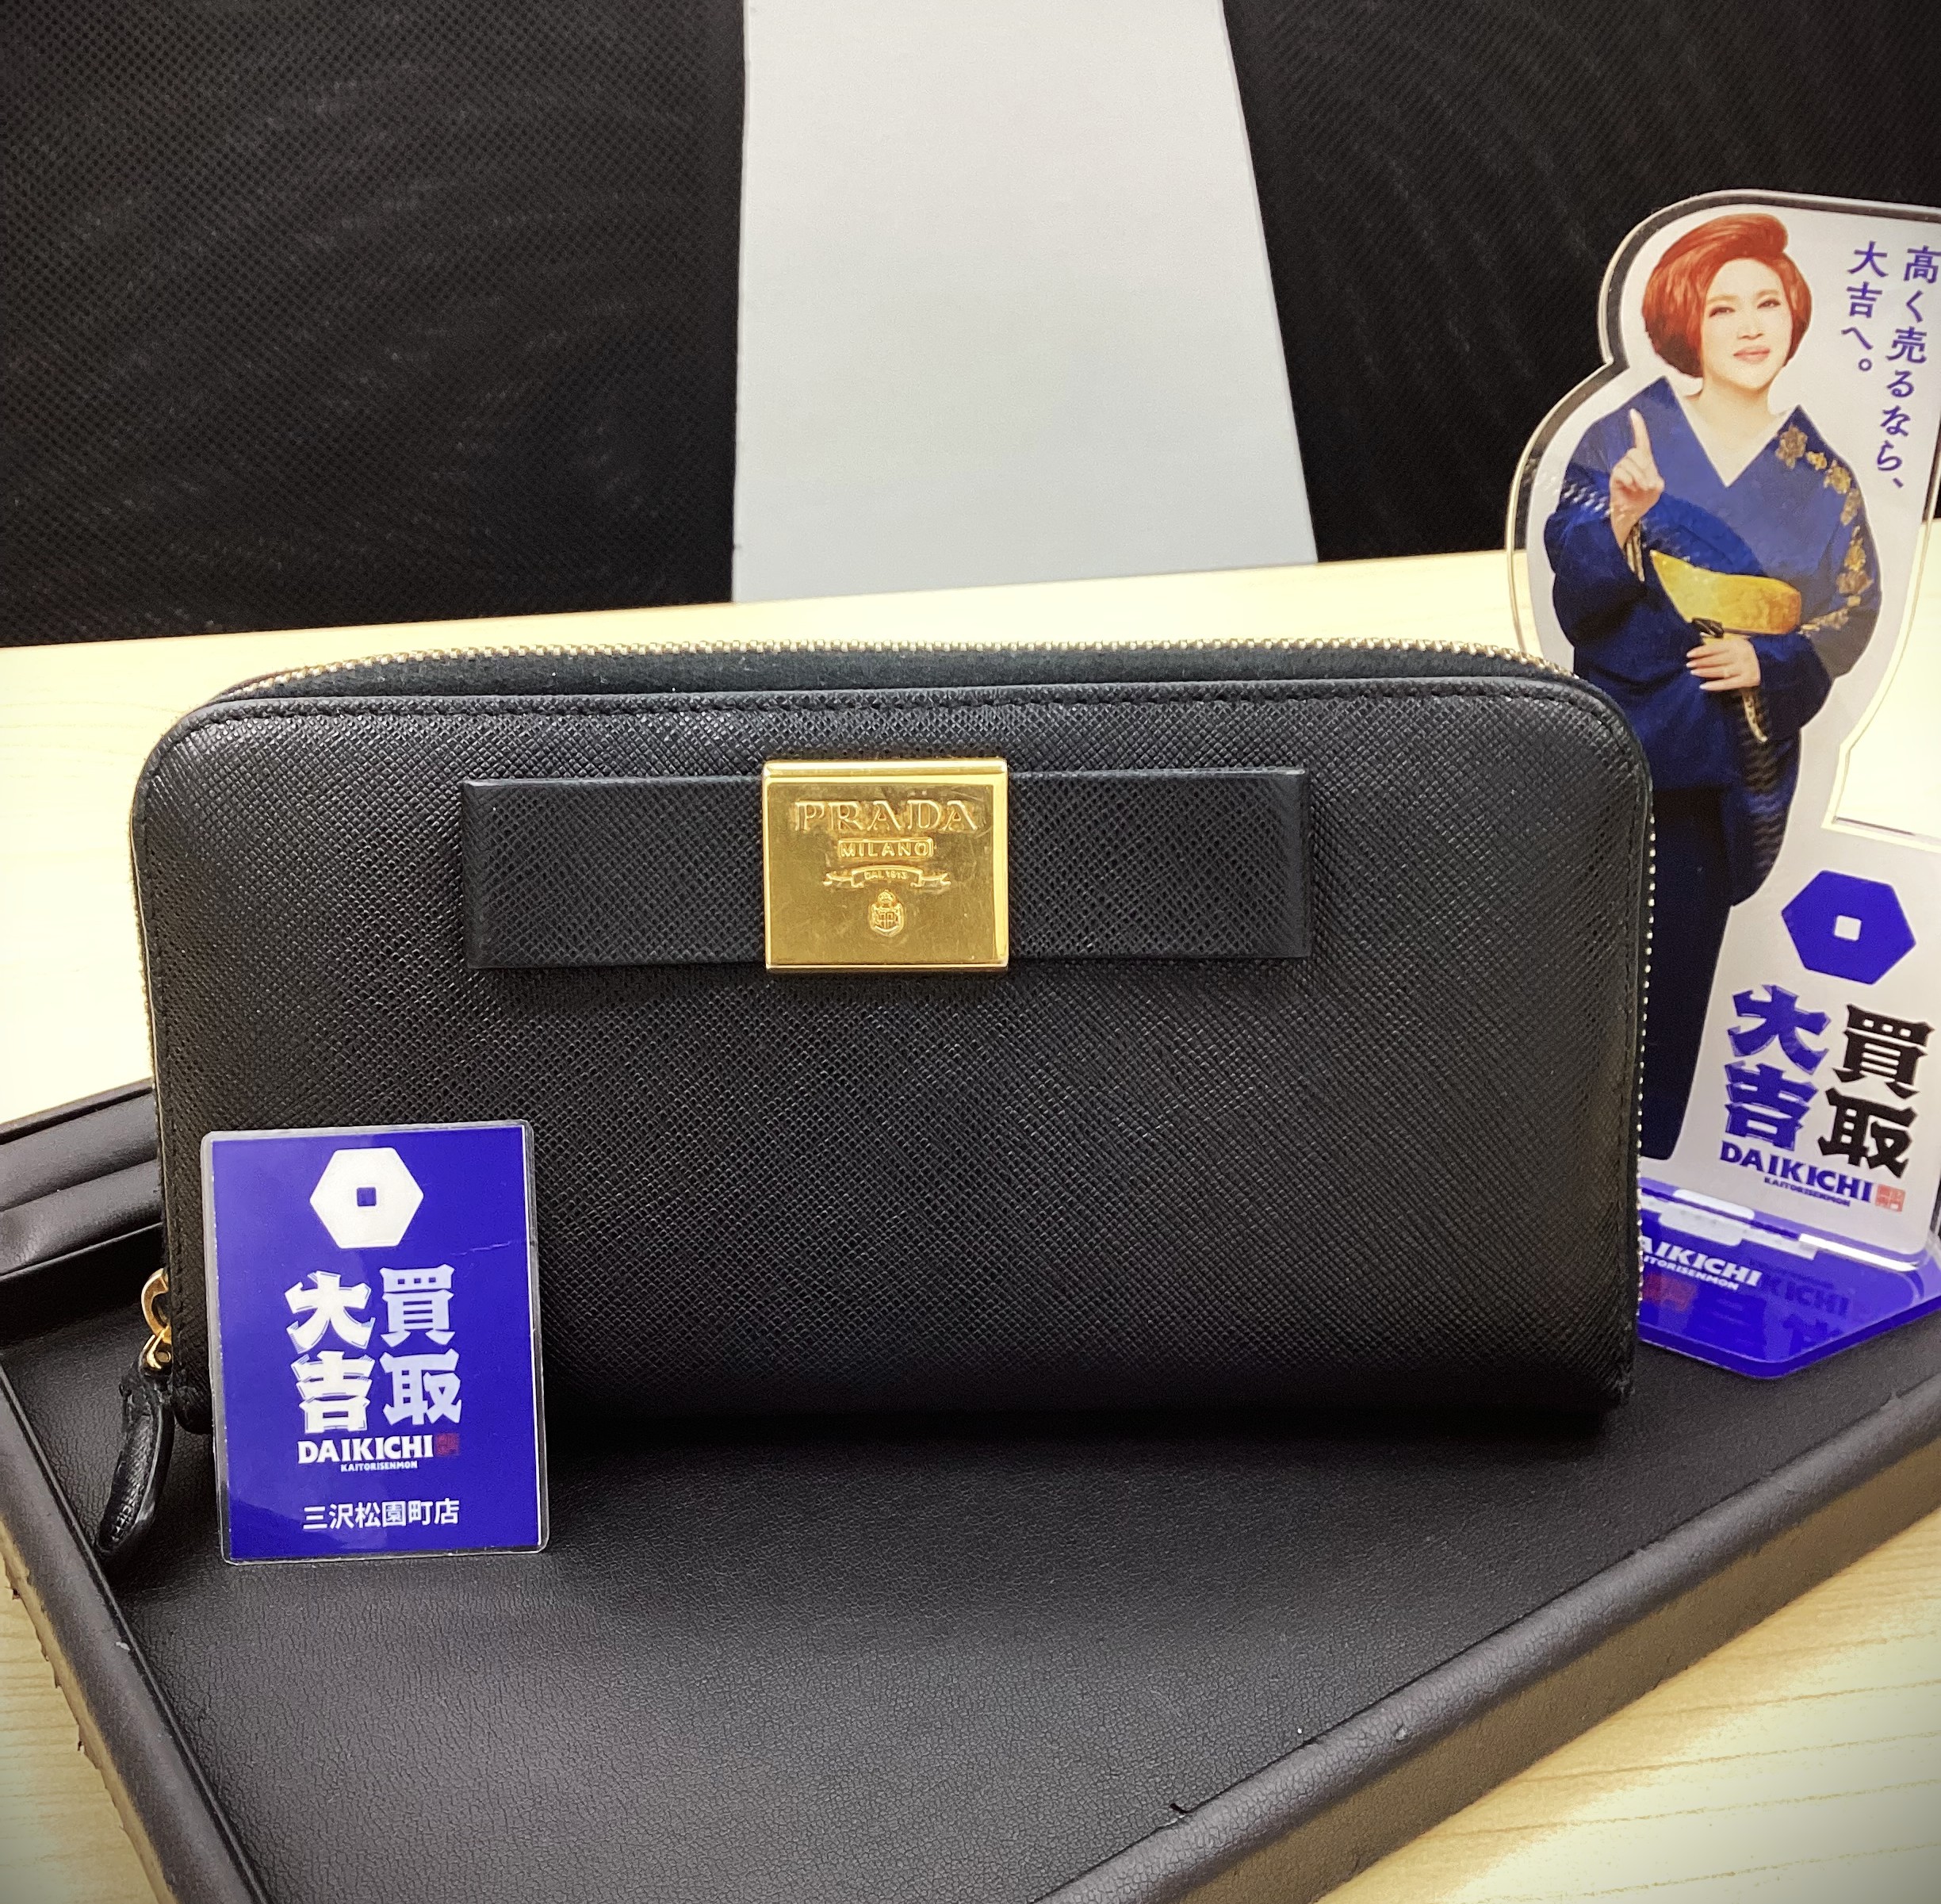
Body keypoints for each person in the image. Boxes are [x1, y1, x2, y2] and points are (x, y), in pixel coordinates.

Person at [1545, 213, 1880, 1158]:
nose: (1749, 324)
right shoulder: (1627, 433)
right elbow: (1573, 572)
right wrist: (1621, 517)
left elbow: (1852, 608)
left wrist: (1767, 661)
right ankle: (1553, 1148)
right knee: (1571, 961)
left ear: (1795, 315)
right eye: (1722, 306)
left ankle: (1647, 1162)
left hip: (1716, 762)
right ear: (1684, 320)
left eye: (1767, 302)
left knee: (1679, 971)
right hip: (1617, 744)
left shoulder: (1823, 476)